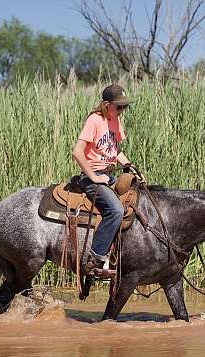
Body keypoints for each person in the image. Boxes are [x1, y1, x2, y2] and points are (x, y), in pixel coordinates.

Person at [71, 84, 135, 278]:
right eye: (119, 106)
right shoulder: (95, 120)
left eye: (125, 106)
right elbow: (77, 151)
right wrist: (92, 176)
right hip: (94, 177)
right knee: (115, 210)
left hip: (110, 174)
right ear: (107, 105)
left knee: (139, 199)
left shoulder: (115, 120)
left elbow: (115, 151)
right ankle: (95, 260)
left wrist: (130, 166)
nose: (122, 110)